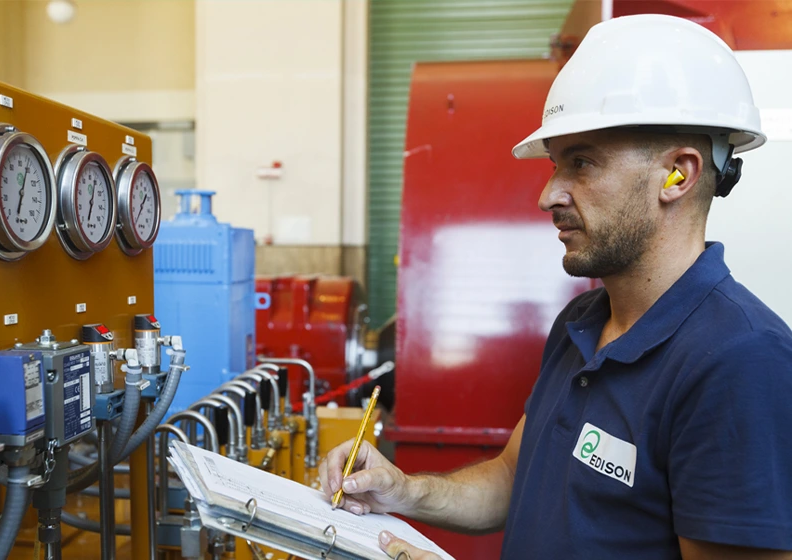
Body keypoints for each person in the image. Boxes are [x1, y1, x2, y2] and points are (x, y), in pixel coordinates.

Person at [319, 14, 792, 560]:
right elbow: (511, 477)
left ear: (678, 176)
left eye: (581, 163)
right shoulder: (581, 322)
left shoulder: (741, 362)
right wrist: (404, 490)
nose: (548, 195)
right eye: (555, 164)